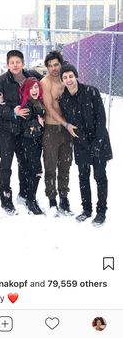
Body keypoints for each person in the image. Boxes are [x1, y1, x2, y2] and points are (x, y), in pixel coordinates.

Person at [0, 49, 42, 215]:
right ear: (7, 64)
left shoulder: (32, 77)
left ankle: (25, 194)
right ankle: (5, 197)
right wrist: (12, 111)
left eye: (18, 62)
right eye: (12, 62)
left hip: (26, 130)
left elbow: (41, 93)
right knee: (6, 163)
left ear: (23, 63)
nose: (15, 65)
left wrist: (40, 114)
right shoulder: (1, 81)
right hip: (7, 129)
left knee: (25, 163)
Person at [59, 63, 112, 226]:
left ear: (76, 76)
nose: (68, 80)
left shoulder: (91, 91)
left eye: (70, 76)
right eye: (65, 77)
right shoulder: (64, 99)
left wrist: (97, 143)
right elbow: (70, 122)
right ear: (62, 80)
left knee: (99, 177)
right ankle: (87, 209)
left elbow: (101, 119)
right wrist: (81, 140)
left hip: (99, 140)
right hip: (80, 142)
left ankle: (101, 212)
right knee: (83, 177)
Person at [40, 51, 77, 216]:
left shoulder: (67, 80)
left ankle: (64, 198)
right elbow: (49, 107)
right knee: (50, 166)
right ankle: (52, 199)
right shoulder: (45, 82)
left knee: (65, 165)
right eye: (50, 66)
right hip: (52, 129)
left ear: (61, 64)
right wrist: (65, 124)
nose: (53, 68)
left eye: (56, 65)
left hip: (68, 131)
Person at [19, 77, 45, 215]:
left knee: (32, 170)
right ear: (27, 90)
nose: (34, 90)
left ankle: (31, 197)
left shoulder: (39, 102)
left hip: (37, 141)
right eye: (31, 88)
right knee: (36, 170)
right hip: (29, 141)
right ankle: (30, 200)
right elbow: (23, 124)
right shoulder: (26, 104)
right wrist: (37, 122)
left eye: (36, 87)